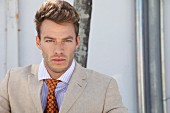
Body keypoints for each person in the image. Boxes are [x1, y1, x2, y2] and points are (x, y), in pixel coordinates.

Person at [0, 0, 128, 113]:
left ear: (77, 42)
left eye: (66, 40)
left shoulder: (104, 86)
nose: (58, 50)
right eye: (50, 40)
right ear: (38, 42)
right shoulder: (12, 81)